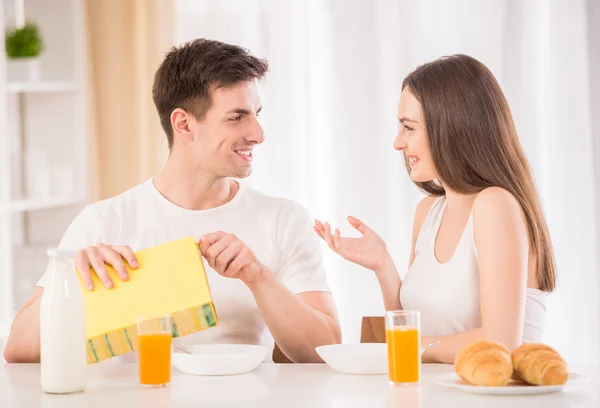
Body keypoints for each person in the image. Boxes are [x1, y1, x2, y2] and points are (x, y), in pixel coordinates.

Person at [4, 38, 341, 364]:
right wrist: (78, 284)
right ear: (183, 123)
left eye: (256, 113)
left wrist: (258, 277)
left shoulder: (283, 219)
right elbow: (18, 348)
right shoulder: (105, 221)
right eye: (237, 117)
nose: (258, 134)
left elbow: (324, 351)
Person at [315, 54, 555, 364]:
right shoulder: (428, 211)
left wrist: (400, 347)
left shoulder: (496, 205)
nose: (398, 143)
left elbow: (500, 343)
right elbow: (414, 333)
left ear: (452, 128)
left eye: (409, 128)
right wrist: (382, 265)